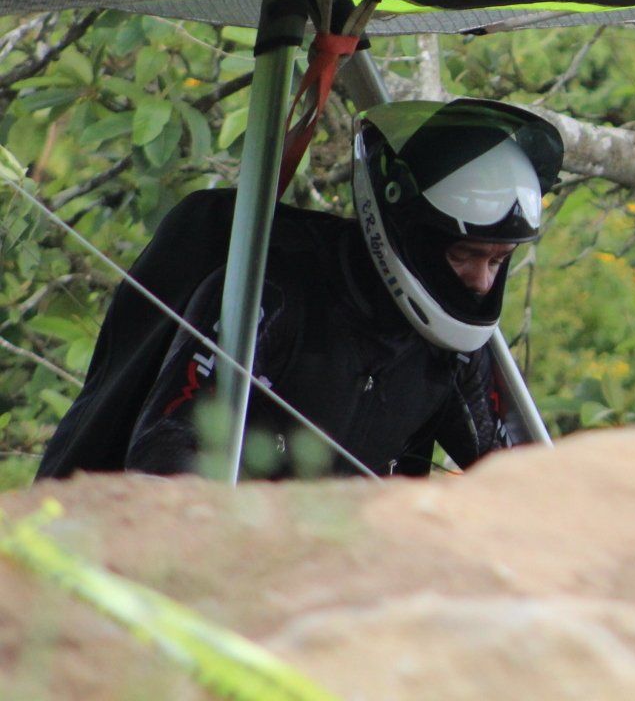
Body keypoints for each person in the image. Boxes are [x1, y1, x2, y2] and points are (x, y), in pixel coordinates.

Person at [38, 98, 562, 480]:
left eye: (500, 259)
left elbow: (517, 479)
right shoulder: (271, 296)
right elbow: (166, 457)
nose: (481, 281)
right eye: (464, 256)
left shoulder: (452, 352)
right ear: (409, 231)